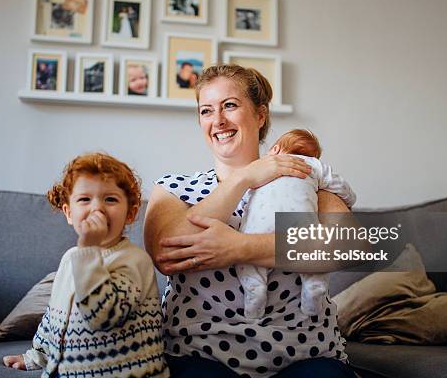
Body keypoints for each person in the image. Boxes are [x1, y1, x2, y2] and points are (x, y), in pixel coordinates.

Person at [144, 64, 357, 377]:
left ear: (260, 115)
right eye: (206, 111)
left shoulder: (300, 175)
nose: (217, 121)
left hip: (305, 355)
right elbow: (168, 253)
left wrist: (238, 247)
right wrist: (244, 177)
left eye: (230, 105)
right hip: (201, 355)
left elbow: (344, 247)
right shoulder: (175, 188)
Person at [3, 153, 168, 378]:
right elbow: (55, 316)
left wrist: (88, 250)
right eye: (84, 200)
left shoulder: (133, 261)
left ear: (130, 213)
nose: (97, 209)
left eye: (110, 199)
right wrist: (36, 356)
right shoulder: (72, 258)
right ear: (69, 213)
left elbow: (104, 315)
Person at [237, 129, 356, 319]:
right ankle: (314, 284)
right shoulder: (314, 166)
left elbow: (243, 195)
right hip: (299, 224)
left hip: (258, 225)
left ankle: (255, 291)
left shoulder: (259, 169)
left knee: (247, 261)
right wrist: (349, 199)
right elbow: (340, 185)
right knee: (312, 256)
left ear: (275, 149)